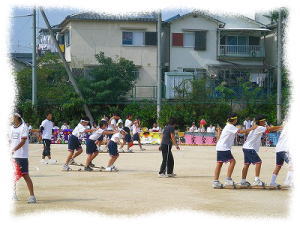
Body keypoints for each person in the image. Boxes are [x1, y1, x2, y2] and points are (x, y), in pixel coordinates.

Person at [213, 113, 257, 188]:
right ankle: (228, 179)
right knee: (232, 162)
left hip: (221, 147)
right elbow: (241, 132)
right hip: (224, 147)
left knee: (219, 163)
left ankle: (216, 181)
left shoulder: (228, 126)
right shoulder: (230, 126)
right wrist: (252, 128)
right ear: (234, 120)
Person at [239, 115, 282, 187]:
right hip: (249, 148)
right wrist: (281, 127)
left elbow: (268, 129)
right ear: (261, 121)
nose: (265, 122)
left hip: (245, 147)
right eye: (264, 121)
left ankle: (243, 181)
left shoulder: (256, 126)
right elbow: (270, 130)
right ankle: (256, 180)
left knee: (246, 164)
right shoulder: (259, 127)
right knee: (258, 162)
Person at [10, 113, 36, 203]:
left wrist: (14, 149)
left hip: (21, 156)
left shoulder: (23, 127)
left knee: (25, 175)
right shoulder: (12, 127)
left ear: (17, 116)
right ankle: (13, 194)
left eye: (12, 116)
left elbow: (23, 141)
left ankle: (32, 196)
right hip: (13, 156)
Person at [269, 123, 293, 187]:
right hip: (284, 150)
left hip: (278, 149)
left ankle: (272, 182)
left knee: (278, 166)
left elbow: (271, 129)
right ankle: (289, 182)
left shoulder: (284, 128)